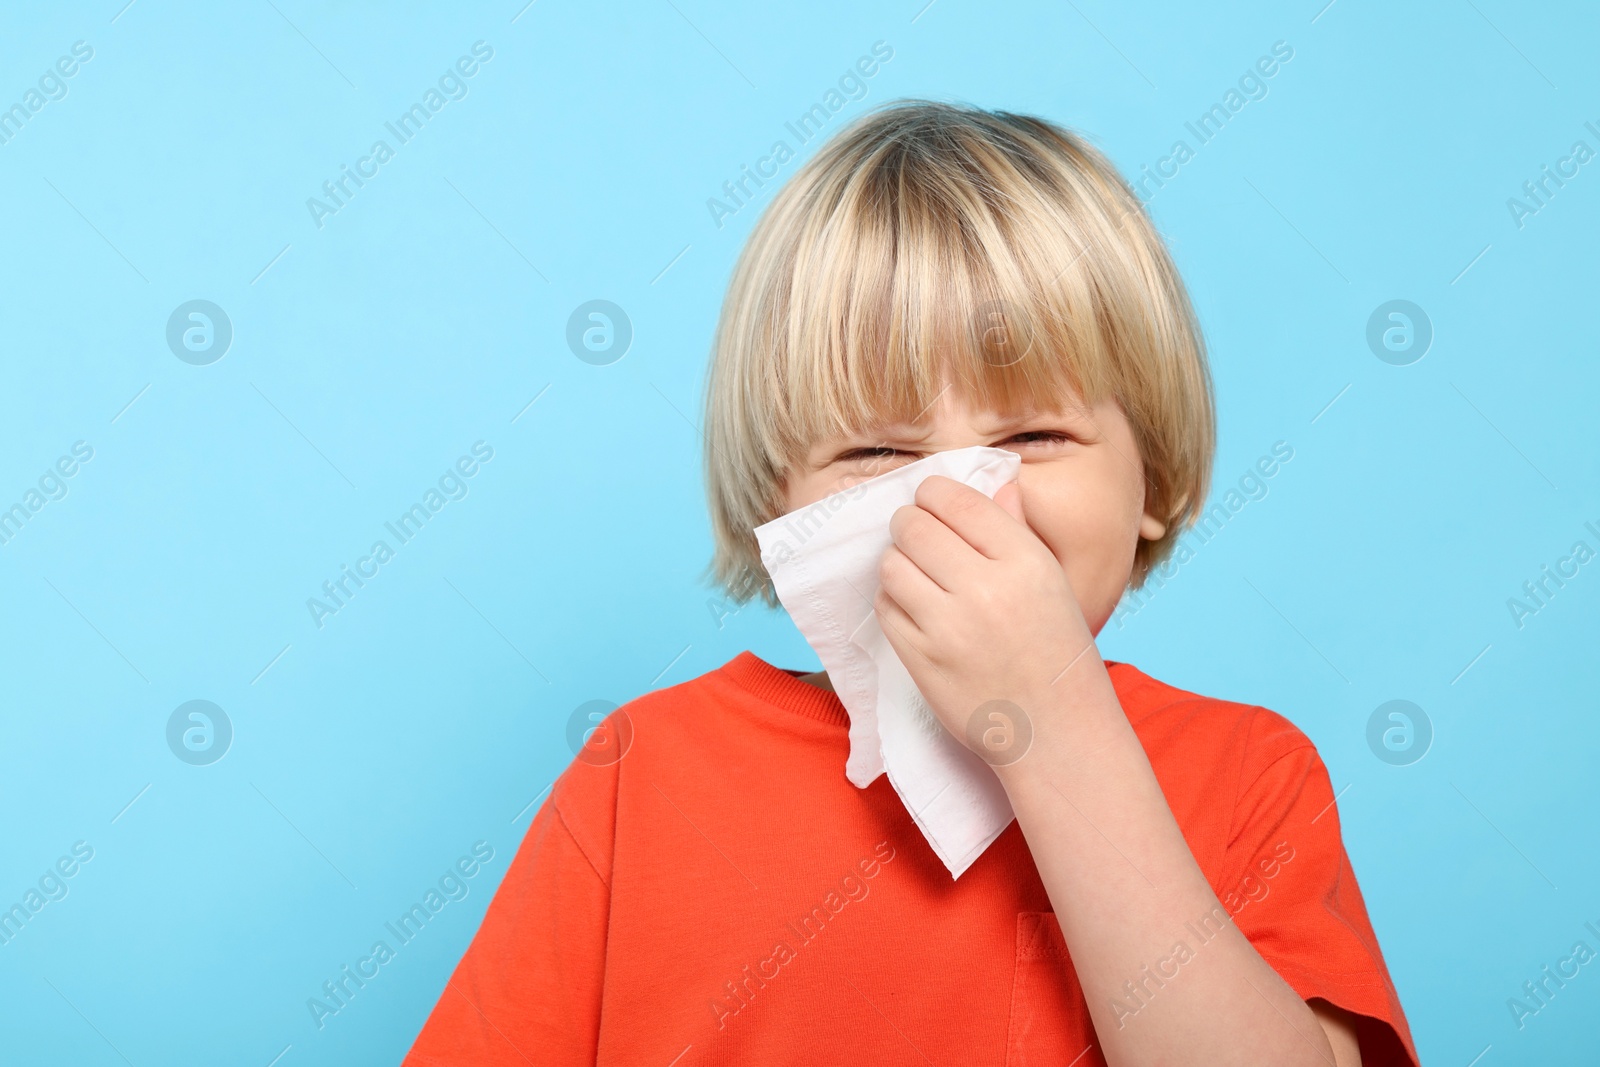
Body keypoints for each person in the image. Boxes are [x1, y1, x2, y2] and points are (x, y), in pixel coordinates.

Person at [403, 100, 1419, 1066]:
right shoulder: (643, 773)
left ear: (1154, 474)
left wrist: (1055, 724)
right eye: (878, 448)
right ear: (781, 503)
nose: (957, 498)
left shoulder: (1247, 773)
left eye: (1033, 434)